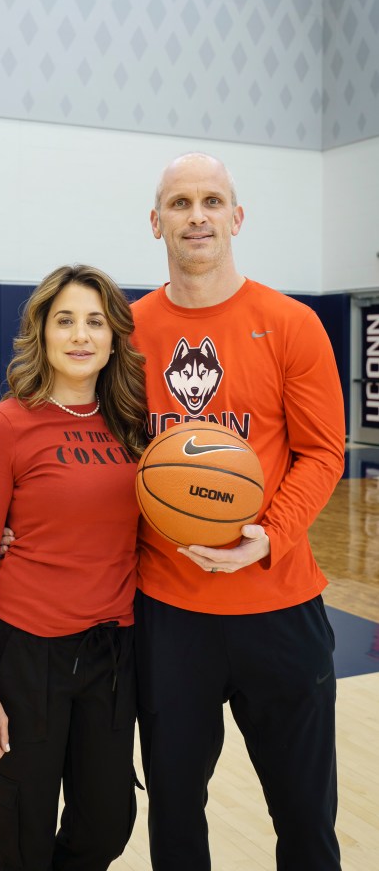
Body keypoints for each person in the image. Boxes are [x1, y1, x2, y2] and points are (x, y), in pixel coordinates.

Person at [131, 152, 345, 870]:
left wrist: (267, 537)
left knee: (305, 818)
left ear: (236, 217)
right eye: (180, 202)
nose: (197, 215)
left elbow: (322, 452)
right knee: (174, 814)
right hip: (168, 614)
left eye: (212, 201)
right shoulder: (124, 334)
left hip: (279, 608)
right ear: (154, 220)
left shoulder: (290, 324)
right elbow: (95, 453)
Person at [0, 264, 149, 871]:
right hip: (28, 654)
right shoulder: (5, 425)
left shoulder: (133, 427)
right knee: (23, 832)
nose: (81, 335)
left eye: (95, 321)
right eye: (65, 320)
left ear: (115, 337)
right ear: (40, 332)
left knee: (108, 823)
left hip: (111, 654)